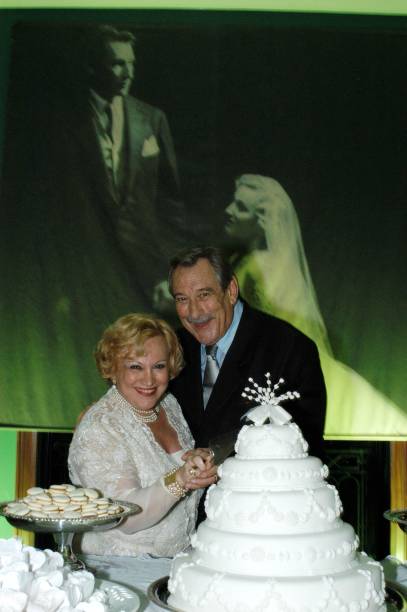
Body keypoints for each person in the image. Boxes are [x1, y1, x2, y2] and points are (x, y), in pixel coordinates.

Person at [223, 174, 406, 439]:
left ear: (261, 220)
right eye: (232, 203)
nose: (228, 211)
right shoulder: (261, 262)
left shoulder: (257, 265)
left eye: (240, 207)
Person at [57, 24, 185, 306]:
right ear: (93, 67)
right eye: (117, 64)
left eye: (131, 63)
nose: (129, 73)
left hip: (145, 276)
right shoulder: (63, 122)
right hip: (81, 272)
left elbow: (170, 206)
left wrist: (171, 272)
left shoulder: (152, 119)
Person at [68, 313, 216, 557]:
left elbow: (181, 469)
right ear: (112, 369)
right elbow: (125, 516)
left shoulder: (168, 405)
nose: (149, 379)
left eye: (158, 366)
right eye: (135, 366)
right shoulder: (100, 426)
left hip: (178, 561)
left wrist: (199, 463)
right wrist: (180, 479)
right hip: (120, 569)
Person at [168, 246, 327, 461]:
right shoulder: (170, 348)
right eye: (182, 299)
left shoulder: (289, 348)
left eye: (204, 295)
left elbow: (300, 439)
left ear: (231, 290)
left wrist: (219, 456)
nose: (194, 312)